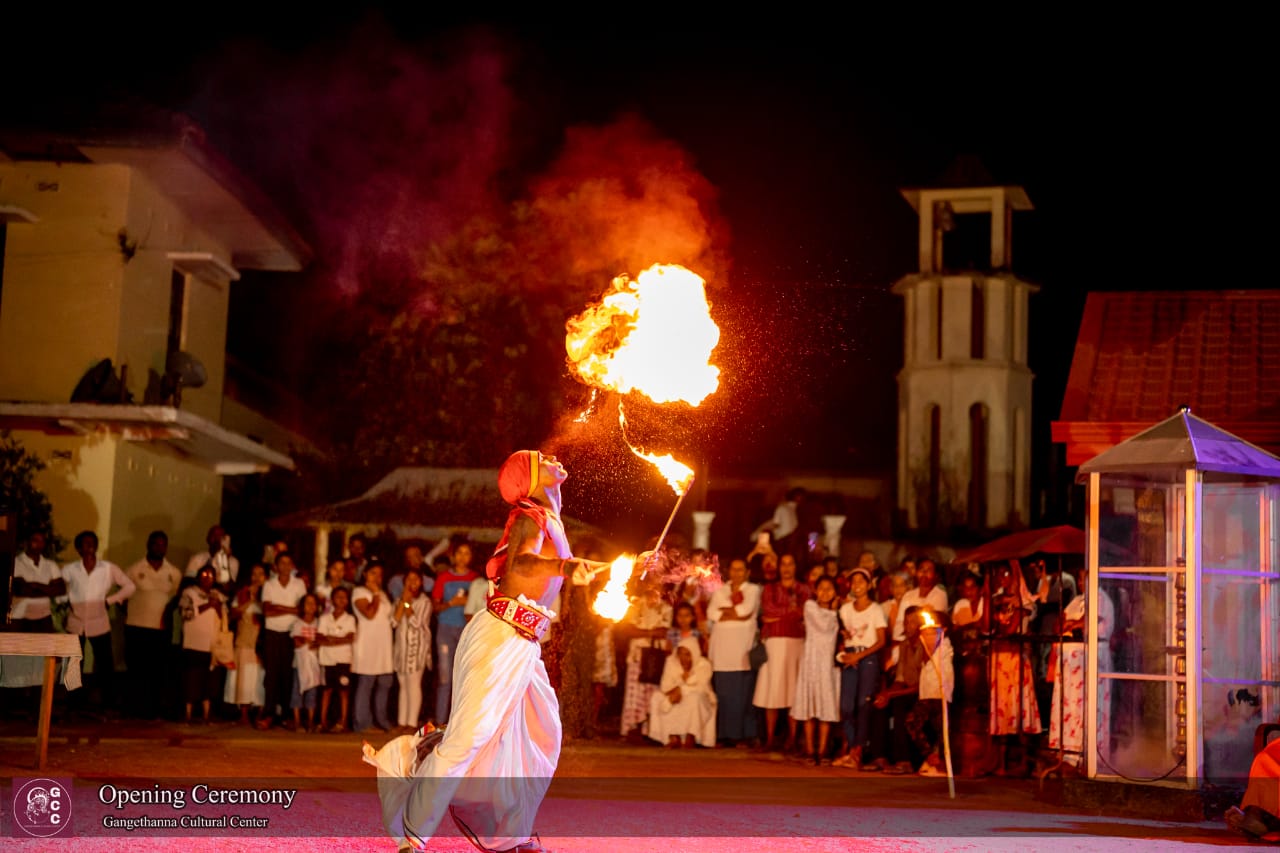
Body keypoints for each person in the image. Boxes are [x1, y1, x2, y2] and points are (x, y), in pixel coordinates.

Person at [365, 449, 612, 853]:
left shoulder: (551, 521)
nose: (552, 456)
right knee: (469, 738)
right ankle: (412, 834)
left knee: (540, 735)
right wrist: (564, 568)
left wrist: (630, 566)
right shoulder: (528, 516)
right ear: (530, 478)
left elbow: (562, 569)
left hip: (525, 643)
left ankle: (512, 837)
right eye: (541, 457)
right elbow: (522, 565)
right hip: (500, 634)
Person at [63, 530, 135, 714]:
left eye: (93, 542)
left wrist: (109, 600)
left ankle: (107, 701)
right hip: (76, 622)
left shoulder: (108, 568)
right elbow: (61, 591)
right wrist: (66, 603)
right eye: (85, 543)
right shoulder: (70, 569)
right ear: (79, 548)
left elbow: (130, 586)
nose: (90, 546)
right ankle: (73, 702)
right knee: (74, 662)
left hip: (99, 621)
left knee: (104, 662)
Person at [1049, 566, 1114, 768]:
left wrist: (1074, 624)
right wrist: (1065, 623)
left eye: (1084, 578)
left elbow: (1091, 621)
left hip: (1092, 657)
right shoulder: (1077, 601)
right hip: (1071, 661)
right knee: (1070, 708)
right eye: (1079, 579)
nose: (1081, 583)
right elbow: (1061, 623)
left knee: (1090, 707)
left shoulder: (1101, 599)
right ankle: (1069, 754)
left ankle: (1090, 756)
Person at [752, 553, 811, 754]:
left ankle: (793, 739)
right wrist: (790, 612)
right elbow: (767, 609)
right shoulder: (769, 588)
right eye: (783, 564)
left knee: (793, 691)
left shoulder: (804, 589)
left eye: (790, 563)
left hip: (796, 642)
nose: (786, 568)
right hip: (774, 643)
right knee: (773, 690)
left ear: (795, 566)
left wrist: (775, 617)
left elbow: (805, 612)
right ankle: (770, 739)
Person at [124, 530, 182, 719]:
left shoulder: (174, 572)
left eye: (162, 544)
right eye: (155, 544)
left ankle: (154, 709)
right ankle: (134, 708)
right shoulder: (134, 569)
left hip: (160, 629)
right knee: (136, 669)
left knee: (158, 670)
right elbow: (122, 597)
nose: (159, 547)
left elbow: (174, 599)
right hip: (136, 627)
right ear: (148, 545)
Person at [833, 567, 887, 768]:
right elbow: (844, 634)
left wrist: (860, 655)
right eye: (853, 581)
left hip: (868, 657)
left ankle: (857, 751)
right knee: (846, 705)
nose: (857, 585)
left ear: (869, 584)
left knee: (863, 705)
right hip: (850, 657)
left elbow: (882, 640)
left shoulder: (876, 610)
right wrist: (845, 651)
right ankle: (851, 746)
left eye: (861, 581)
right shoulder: (845, 610)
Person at [706, 557, 761, 746]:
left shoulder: (753, 590)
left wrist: (726, 612)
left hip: (742, 651)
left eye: (741, 570)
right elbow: (711, 613)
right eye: (733, 569)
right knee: (724, 696)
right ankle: (723, 735)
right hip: (721, 651)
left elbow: (746, 610)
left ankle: (743, 736)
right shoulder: (720, 589)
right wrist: (733, 614)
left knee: (743, 696)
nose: (736, 573)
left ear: (747, 572)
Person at [792, 575, 841, 765]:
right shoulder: (810, 607)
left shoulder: (838, 612)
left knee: (825, 706)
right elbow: (823, 625)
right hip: (811, 661)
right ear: (815, 590)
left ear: (835, 592)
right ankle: (810, 750)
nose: (825, 592)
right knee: (809, 706)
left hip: (827, 664)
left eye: (830, 588)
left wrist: (835, 610)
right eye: (822, 588)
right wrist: (834, 609)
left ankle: (823, 751)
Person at [431, 540, 480, 725]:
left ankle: (460, 723)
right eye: (460, 552)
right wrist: (451, 603)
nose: (463, 557)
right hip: (445, 629)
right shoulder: (443, 577)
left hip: (468, 631)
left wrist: (468, 601)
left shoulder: (476, 579)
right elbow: (435, 607)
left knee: (466, 677)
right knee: (445, 677)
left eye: (467, 553)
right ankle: (440, 722)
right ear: (453, 555)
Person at [619, 575, 673, 740]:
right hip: (637, 655)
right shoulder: (636, 605)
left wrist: (641, 632)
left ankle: (648, 730)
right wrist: (650, 633)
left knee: (652, 692)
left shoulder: (666, 608)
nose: (655, 587)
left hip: (655, 656)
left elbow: (663, 632)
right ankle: (631, 728)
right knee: (634, 693)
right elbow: (628, 630)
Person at [257, 553, 306, 730]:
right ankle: (269, 713)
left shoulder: (299, 584)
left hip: (291, 633)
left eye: (288, 563)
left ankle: (285, 715)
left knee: (287, 675)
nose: (285, 566)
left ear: (292, 565)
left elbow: (301, 609)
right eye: (281, 563)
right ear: (276, 566)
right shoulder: (269, 584)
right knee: (271, 675)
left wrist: (280, 608)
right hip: (271, 633)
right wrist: (291, 609)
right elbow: (267, 611)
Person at [647, 637, 717, 748]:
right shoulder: (671, 661)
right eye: (681, 654)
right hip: (675, 695)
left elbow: (701, 686)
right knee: (656, 697)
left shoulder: (704, 664)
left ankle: (691, 736)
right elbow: (665, 685)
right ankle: (673, 737)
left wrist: (680, 689)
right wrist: (677, 690)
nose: (683, 658)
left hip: (699, 697)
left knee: (694, 698)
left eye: (687, 654)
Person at [179, 564, 225, 724]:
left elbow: (225, 617)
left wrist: (218, 606)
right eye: (204, 575)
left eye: (211, 576)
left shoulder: (218, 595)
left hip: (211, 646)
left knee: (209, 682)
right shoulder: (189, 592)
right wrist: (208, 605)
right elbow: (186, 613)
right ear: (198, 577)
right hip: (193, 644)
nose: (207, 578)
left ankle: (206, 715)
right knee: (191, 680)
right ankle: (188, 715)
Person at [353, 562, 395, 734]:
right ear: (365, 574)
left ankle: (382, 720)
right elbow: (369, 614)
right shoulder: (359, 592)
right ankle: (362, 723)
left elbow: (390, 619)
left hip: (383, 645)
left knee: (385, 683)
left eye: (379, 574)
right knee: (366, 683)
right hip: (368, 644)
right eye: (372, 573)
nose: (376, 577)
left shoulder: (383, 594)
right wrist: (375, 593)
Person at [226, 563, 267, 725]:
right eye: (254, 574)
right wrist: (249, 601)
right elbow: (232, 615)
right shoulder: (242, 593)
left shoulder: (269, 594)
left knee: (259, 678)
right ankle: (243, 714)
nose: (257, 577)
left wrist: (259, 600)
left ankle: (260, 713)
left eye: (261, 574)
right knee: (244, 677)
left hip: (261, 643)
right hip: (244, 641)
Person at [393, 568, 434, 730]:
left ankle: (411, 723)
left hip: (417, 649)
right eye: (409, 579)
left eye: (416, 579)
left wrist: (407, 603)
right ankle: (402, 722)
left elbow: (417, 623)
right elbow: (394, 622)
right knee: (403, 685)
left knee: (413, 684)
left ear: (421, 582)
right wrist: (403, 603)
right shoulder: (399, 600)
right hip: (401, 649)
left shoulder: (425, 602)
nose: (412, 583)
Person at [8, 530, 65, 632]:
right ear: (27, 542)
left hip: (44, 617)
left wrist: (36, 585)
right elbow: (21, 591)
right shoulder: (16, 562)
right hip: (20, 617)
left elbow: (60, 590)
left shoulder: (50, 564)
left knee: (44, 647)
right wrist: (49, 589)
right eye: (35, 540)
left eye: (42, 541)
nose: (39, 544)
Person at [319, 586, 357, 733]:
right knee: (327, 690)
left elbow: (350, 638)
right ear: (332, 599)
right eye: (338, 596)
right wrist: (338, 639)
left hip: (343, 659)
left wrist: (331, 639)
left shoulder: (350, 619)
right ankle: (323, 721)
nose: (341, 599)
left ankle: (344, 722)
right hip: (327, 659)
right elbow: (320, 637)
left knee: (344, 691)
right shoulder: (324, 618)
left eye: (344, 597)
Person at [291, 592, 324, 733]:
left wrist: (313, 643)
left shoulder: (320, 623)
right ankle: (297, 722)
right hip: (299, 664)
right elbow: (296, 641)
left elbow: (321, 640)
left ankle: (310, 722)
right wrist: (306, 641)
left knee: (312, 692)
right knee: (297, 691)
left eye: (313, 603)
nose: (311, 606)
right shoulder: (297, 623)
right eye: (307, 603)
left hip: (314, 664)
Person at [185, 524, 239, 591]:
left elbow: (228, 588)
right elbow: (187, 582)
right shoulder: (196, 558)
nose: (217, 539)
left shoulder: (232, 562)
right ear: (207, 538)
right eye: (214, 535)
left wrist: (225, 560)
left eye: (220, 536)